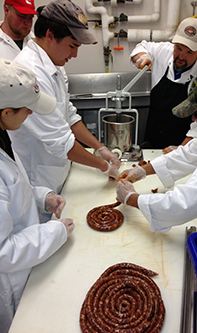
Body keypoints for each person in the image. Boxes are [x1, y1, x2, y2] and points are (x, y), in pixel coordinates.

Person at [10, 0, 120, 221]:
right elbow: (61, 141)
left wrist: (100, 148)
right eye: (73, 46)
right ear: (50, 35)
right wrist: (105, 167)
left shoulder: (55, 65)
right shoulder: (31, 73)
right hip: (38, 179)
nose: (75, 55)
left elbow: (67, 114)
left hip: (56, 172)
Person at [116, 67, 197, 232]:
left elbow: (185, 203)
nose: (194, 119)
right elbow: (190, 153)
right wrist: (141, 171)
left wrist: (131, 198)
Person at [0, 58, 75, 333]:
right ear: (6, 113)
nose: (31, 115)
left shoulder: (3, 134)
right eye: (27, 109)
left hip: (27, 262)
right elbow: (2, 252)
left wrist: (43, 197)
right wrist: (55, 233)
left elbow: (12, 188)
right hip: (9, 286)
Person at [130, 17, 197, 151]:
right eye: (178, 48)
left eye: (189, 52)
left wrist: (181, 152)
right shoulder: (164, 50)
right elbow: (141, 47)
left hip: (186, 144)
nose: (181, 56)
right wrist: (143, 56)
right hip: (154, 134)